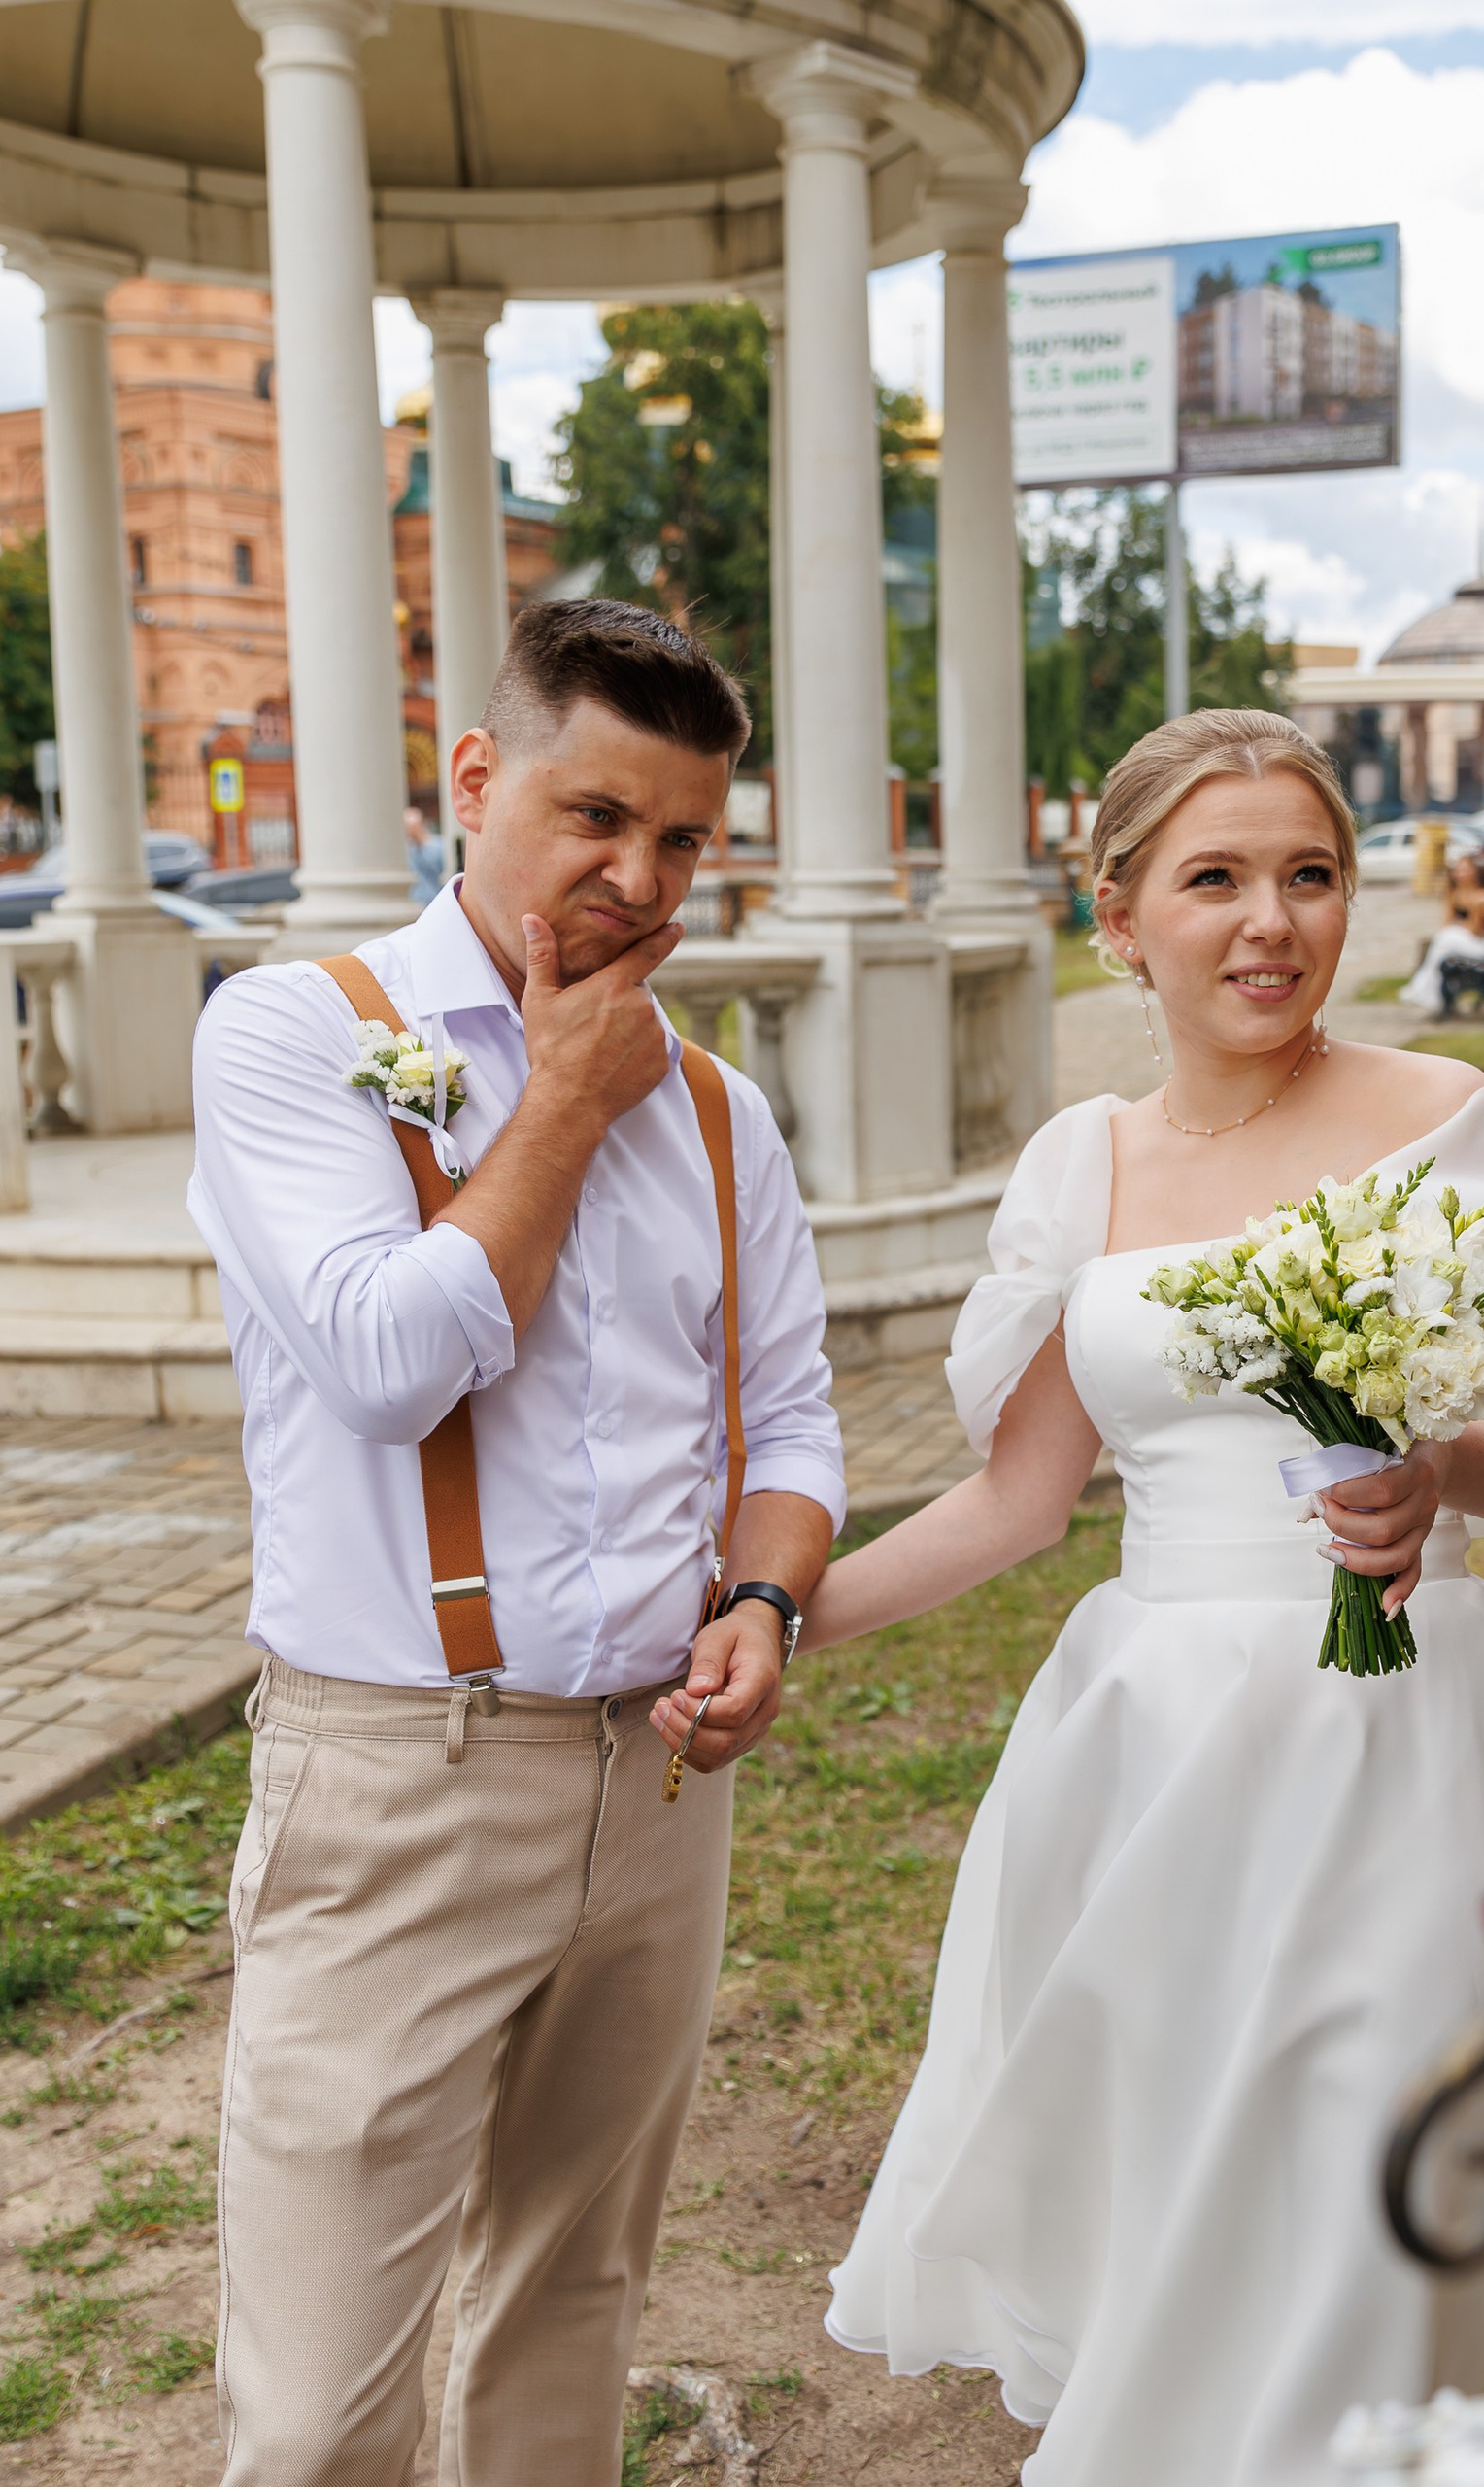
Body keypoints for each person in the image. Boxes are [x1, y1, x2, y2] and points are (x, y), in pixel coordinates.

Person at [814, 708, 1484, 2484]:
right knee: (1189, 2188)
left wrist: (1442, 1474)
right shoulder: (1083, 1173)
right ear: (1118, 914)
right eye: (1215, 880)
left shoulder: (1449, 1121)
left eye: (1311, 876)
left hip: (1399, 1741)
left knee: (1368, 2186)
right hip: (1155, 1750)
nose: (1269, 922)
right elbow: (1018, 1499)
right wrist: (782, 1611)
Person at [189, 600, 843, 2486]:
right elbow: (389, 1360)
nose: (638, 880)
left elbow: (788, 1420)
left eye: (683, 839)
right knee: (318, 2405)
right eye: (593, 816)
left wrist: (761, 1594)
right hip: (397, 1773)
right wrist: (561, 1087)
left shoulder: (721, 1109)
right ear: (474, 777)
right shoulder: (295, 1035)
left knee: (570, 2304)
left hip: (652, 1788)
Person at [1402, 849, 1484, 1015]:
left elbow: (1477, 930)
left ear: (1477, 872)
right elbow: (1447, 924)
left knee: (1444, 940)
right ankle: (1426, 993)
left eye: (1464, 869)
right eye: (1457, 868)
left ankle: (1424, 992)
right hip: (1482, 942)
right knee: (1444, 939)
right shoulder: (1455, 894)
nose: (1458, 873)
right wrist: (1460, 924)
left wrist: (1461, 924)